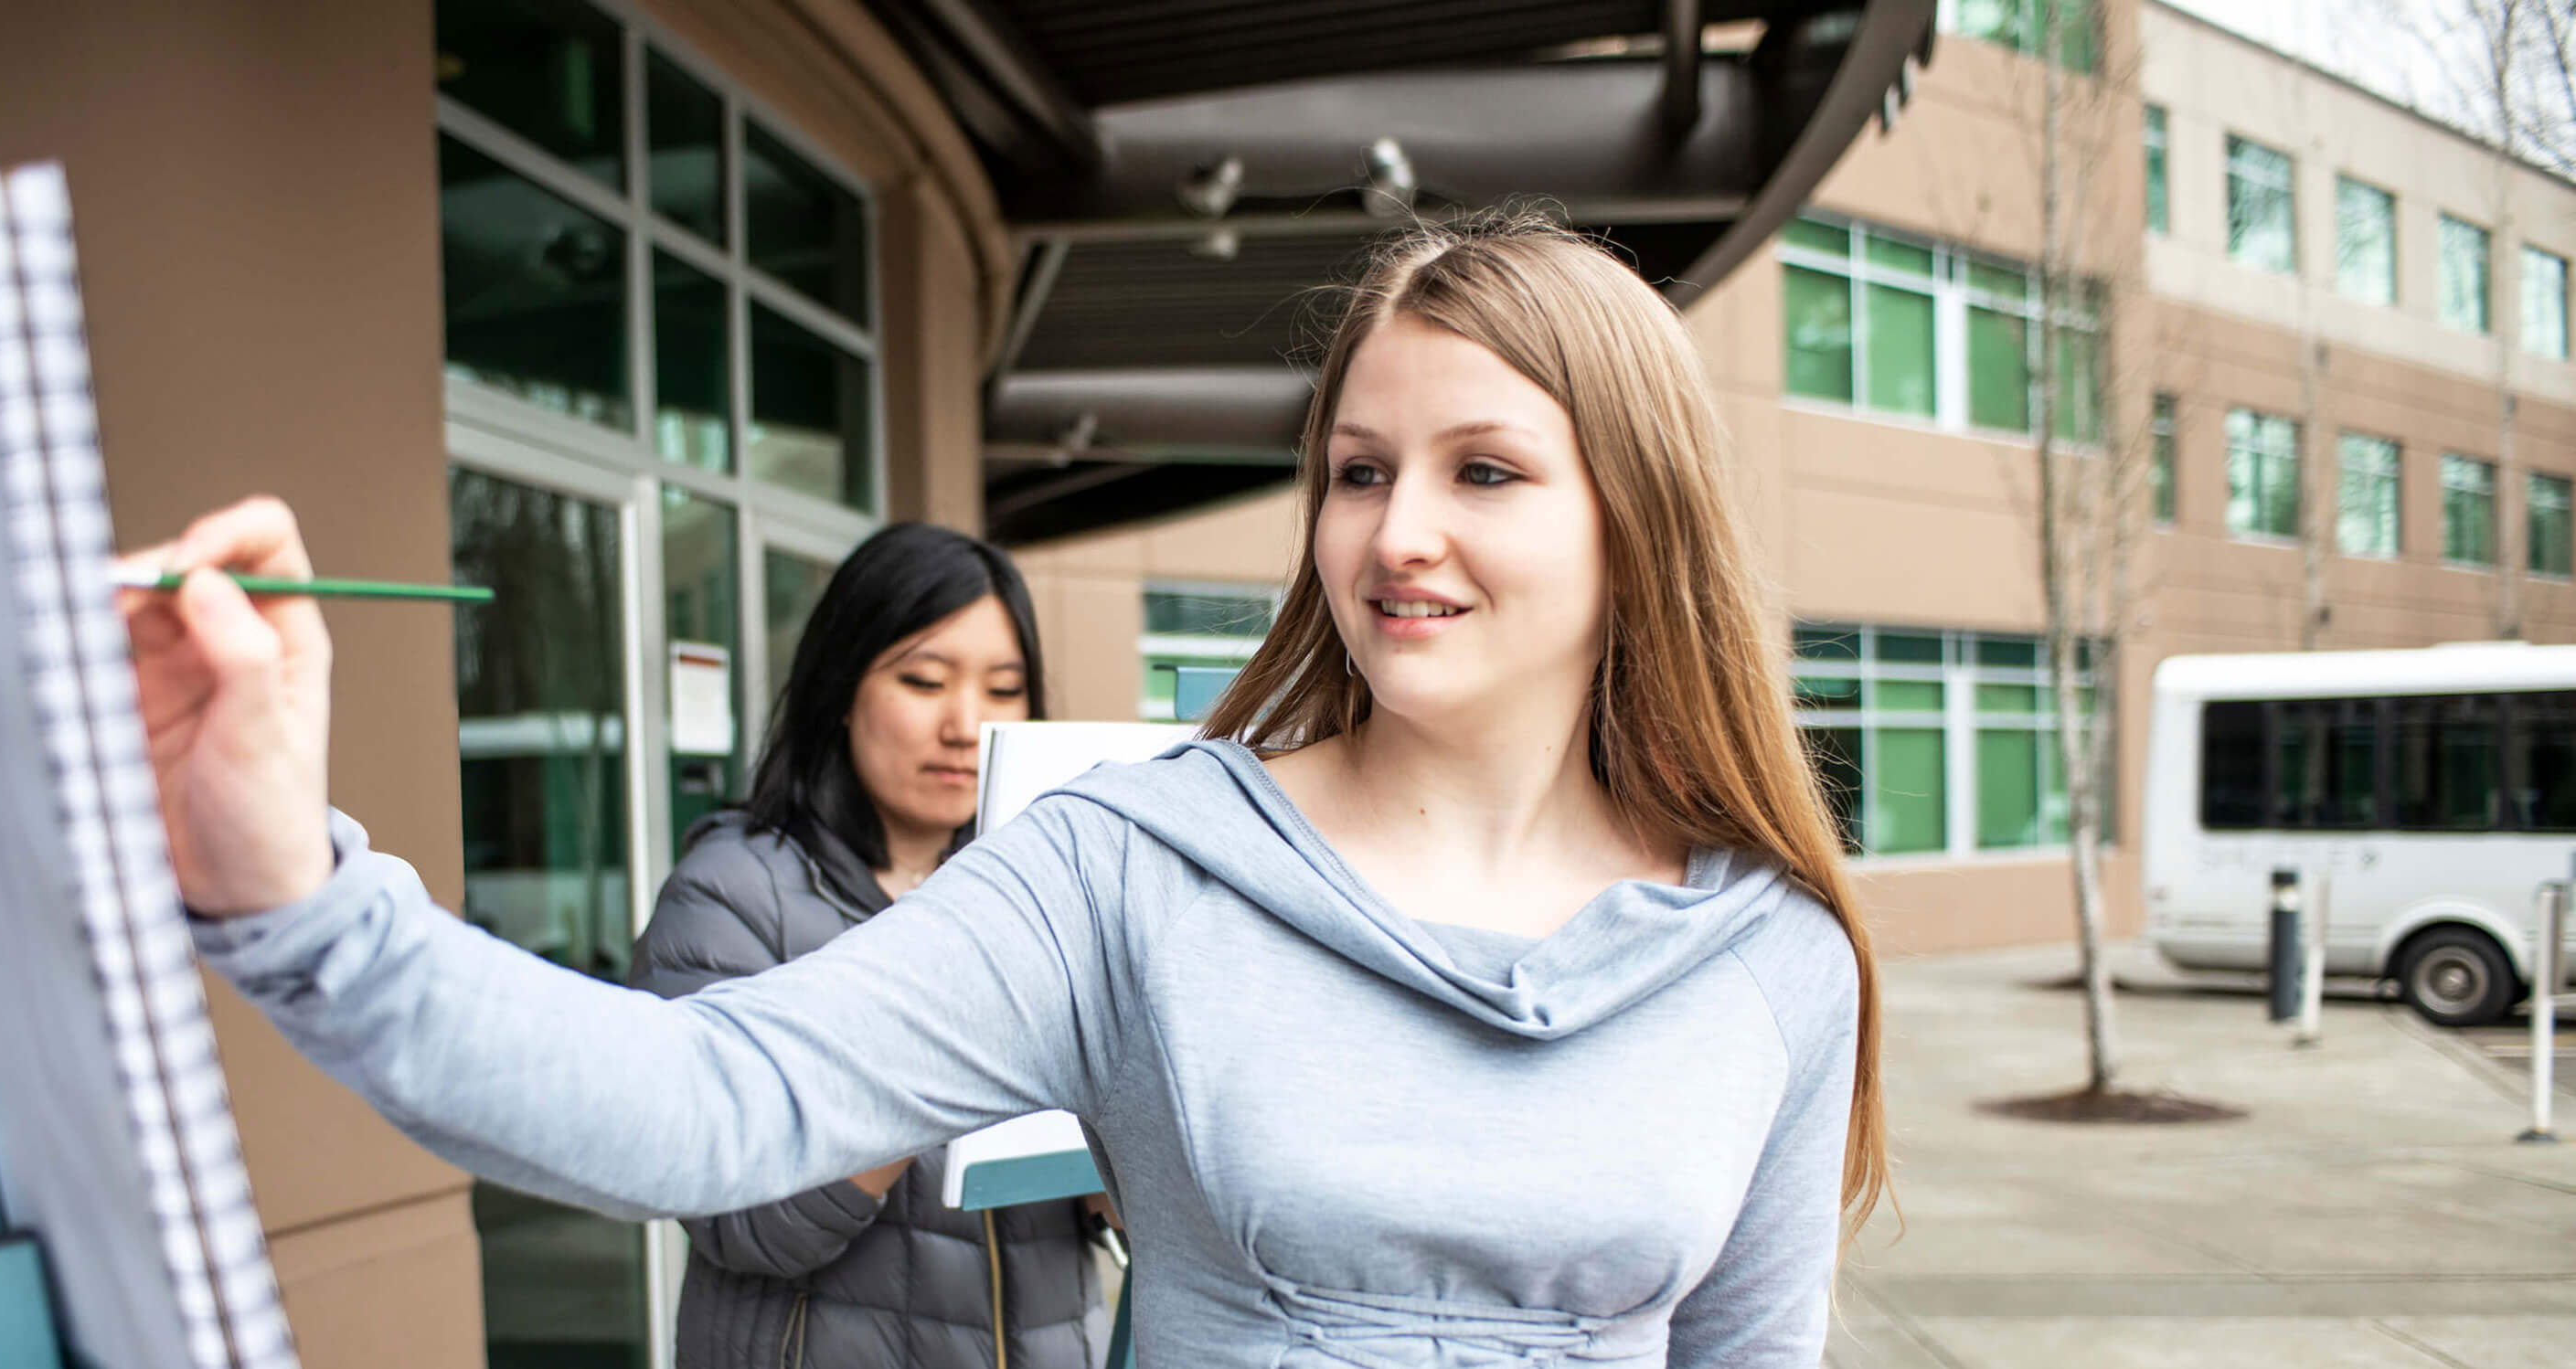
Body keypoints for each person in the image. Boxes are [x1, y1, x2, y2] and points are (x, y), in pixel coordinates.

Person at [122, 213, 1887, 1368]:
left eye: (1482, 468)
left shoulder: (1771, 956)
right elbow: (697, 1097)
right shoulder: (1137, 870)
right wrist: (294, 887)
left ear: (1631, 517)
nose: (1393, 530)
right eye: (1358, 468)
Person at [626, 522, 1106, 1369]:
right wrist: (947, 1048)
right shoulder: (733, 901)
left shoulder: (1051, 895)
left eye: (1004, 688)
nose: (968, 725)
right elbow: (742, 1222)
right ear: (840, 688)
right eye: (924, 680)